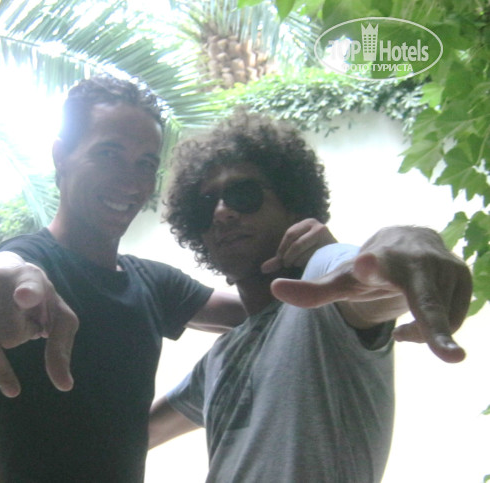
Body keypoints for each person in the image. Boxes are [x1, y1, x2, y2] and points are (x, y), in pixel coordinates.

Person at [0, 75, 337, 482]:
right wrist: (0, 278)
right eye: (109, 153)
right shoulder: (32, 264)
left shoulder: (152, 282)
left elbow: (262, 311)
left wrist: (322, 262)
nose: (131, 181)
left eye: (146, 163)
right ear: (61, 156)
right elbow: (7, 270)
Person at [147, 109, 471, 482]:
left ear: (293, 206)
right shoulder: (220, 358)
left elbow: (366, 276)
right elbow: (136, 434)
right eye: (206, 206)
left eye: (243, 194)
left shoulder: (324, 287)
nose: (222, 212)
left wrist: (408, 243)